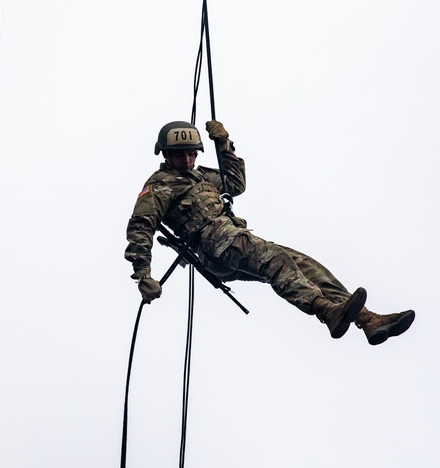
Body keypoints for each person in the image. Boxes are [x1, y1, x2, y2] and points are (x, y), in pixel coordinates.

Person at [125, 120, 415, 344]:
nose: (187, 161)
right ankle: (327, 312)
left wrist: (224, 144)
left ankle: (368, 320)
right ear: (165, 154)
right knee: (276, 260)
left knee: (303, 265)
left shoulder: (202, 177)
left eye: (191, 154)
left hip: (235, 239)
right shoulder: (160, 184)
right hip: (216, 246)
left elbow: (235, 184)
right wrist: (143, 274)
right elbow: (141, 226)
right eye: (180, 156)